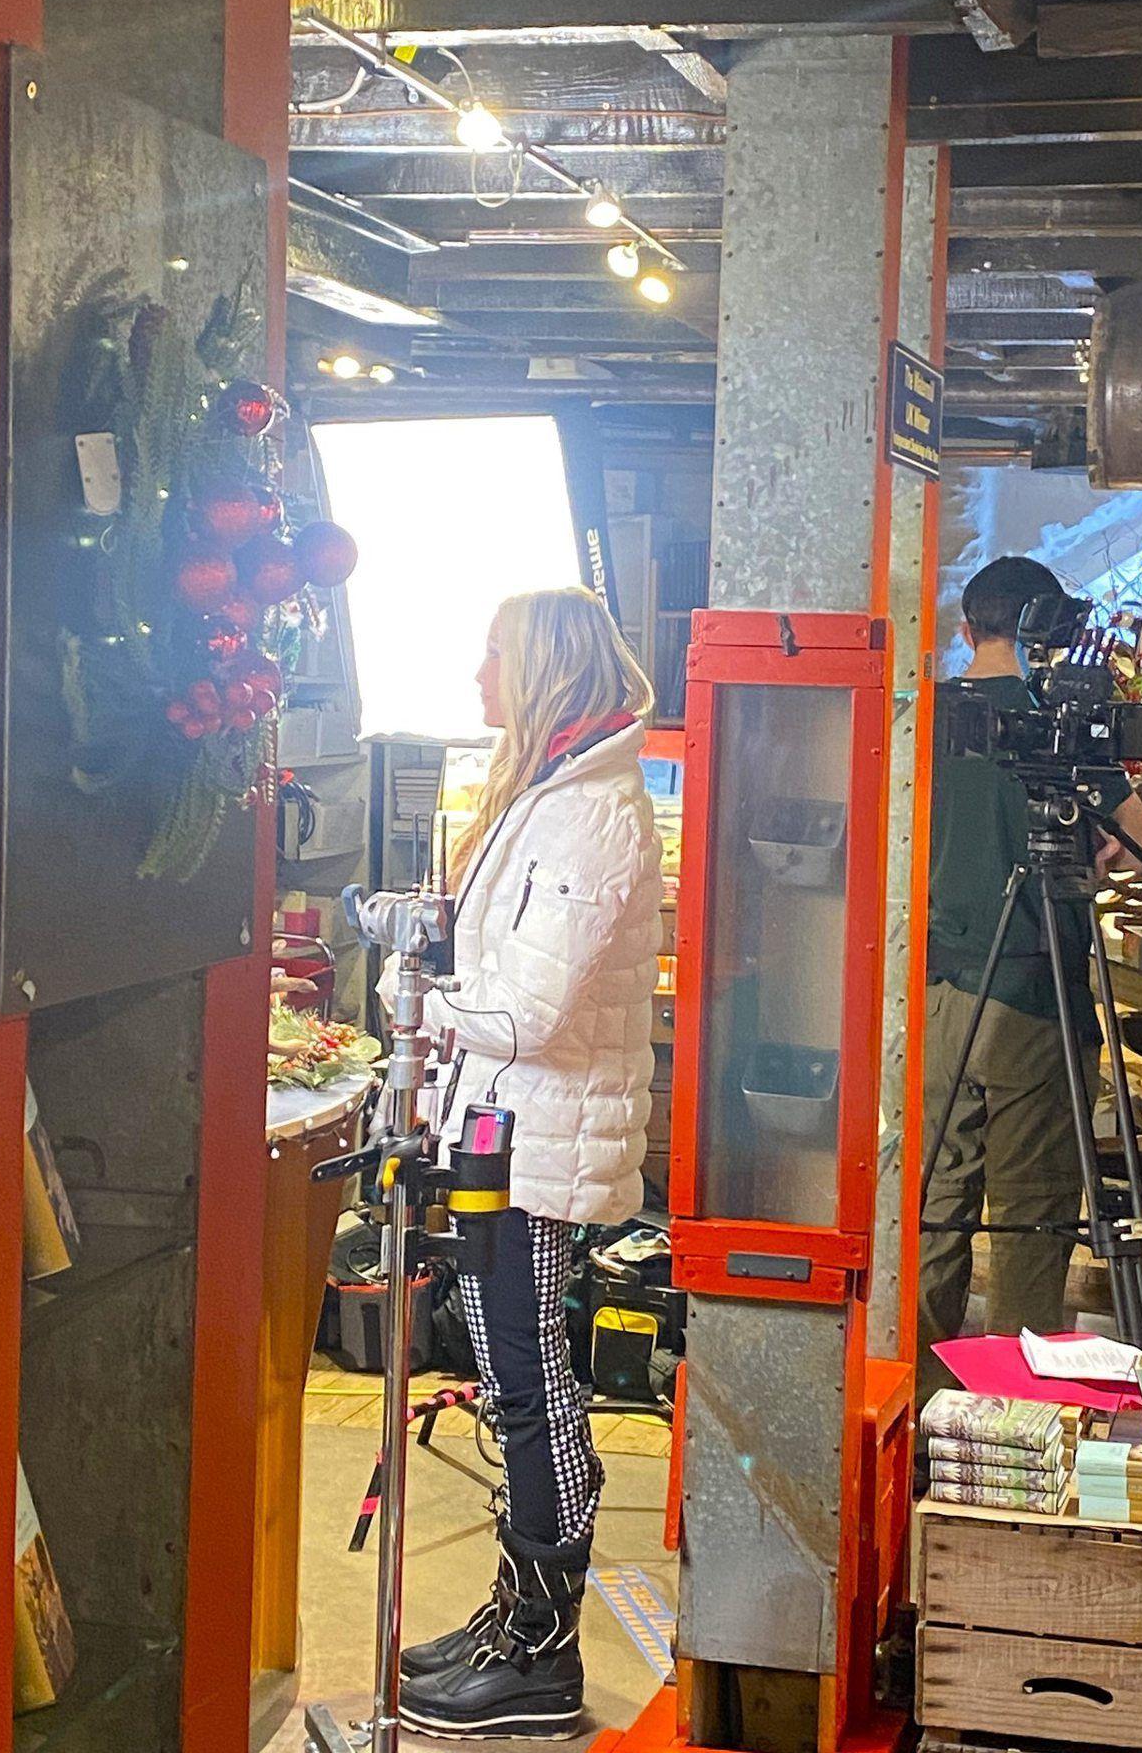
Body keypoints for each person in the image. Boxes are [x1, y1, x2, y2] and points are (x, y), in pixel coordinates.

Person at [386, 587, 662, 1739]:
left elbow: (535, 1011)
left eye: (494, 654)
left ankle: (542, 1658)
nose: (477, 675)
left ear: (543, 667)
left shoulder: (593, 810)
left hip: (543, 1136)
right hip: (504, 1127)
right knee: (511, 1376)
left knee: (534, 1383)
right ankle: (515, 1614)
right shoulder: (549, 788)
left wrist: (426, 995)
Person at [919, 557, 1142, 1403]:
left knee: (936, 1202)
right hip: (1035, 995)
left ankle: (913, 1411)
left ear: (966, 628)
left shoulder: (927, 717)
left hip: (939, 993)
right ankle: (1010, 1418)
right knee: (1030, 1215)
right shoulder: (1061, 724)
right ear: (1046, 626)